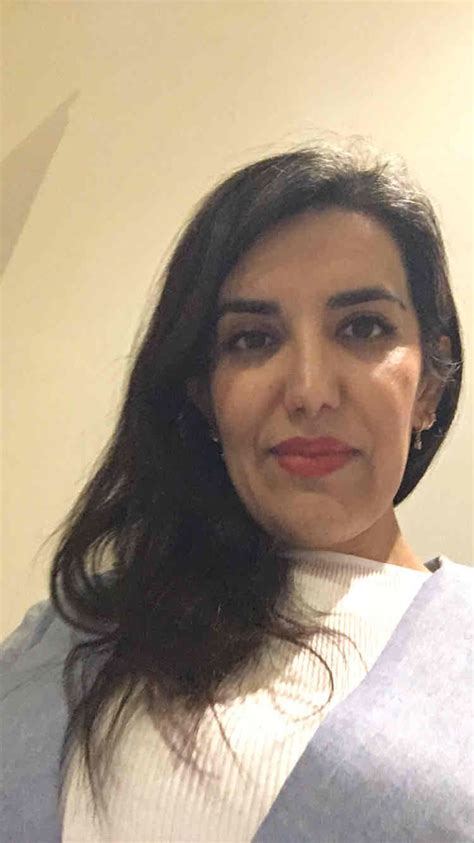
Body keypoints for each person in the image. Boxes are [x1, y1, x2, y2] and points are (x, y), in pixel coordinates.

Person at [1, 141, 472, 843]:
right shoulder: (69, 630)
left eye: (362, 328)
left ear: (430, 384)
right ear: (205, 394)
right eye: (253, 339)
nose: (309, 390)